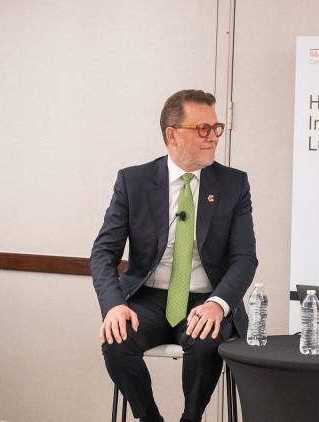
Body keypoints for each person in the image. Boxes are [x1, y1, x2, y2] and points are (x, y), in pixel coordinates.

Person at [91, 89, 257, 422]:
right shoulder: (133, 181)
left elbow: (244, 258)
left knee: (206, 338)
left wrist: (218, 304)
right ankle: (150, 418)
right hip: (147, 300)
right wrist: (114, 305)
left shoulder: (233, 184)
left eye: (216, 128)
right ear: (172, 135)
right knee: (116, 340)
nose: (213, 138)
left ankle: (190, 418)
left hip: (204, 300)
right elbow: (103, 252)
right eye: (202, 129)